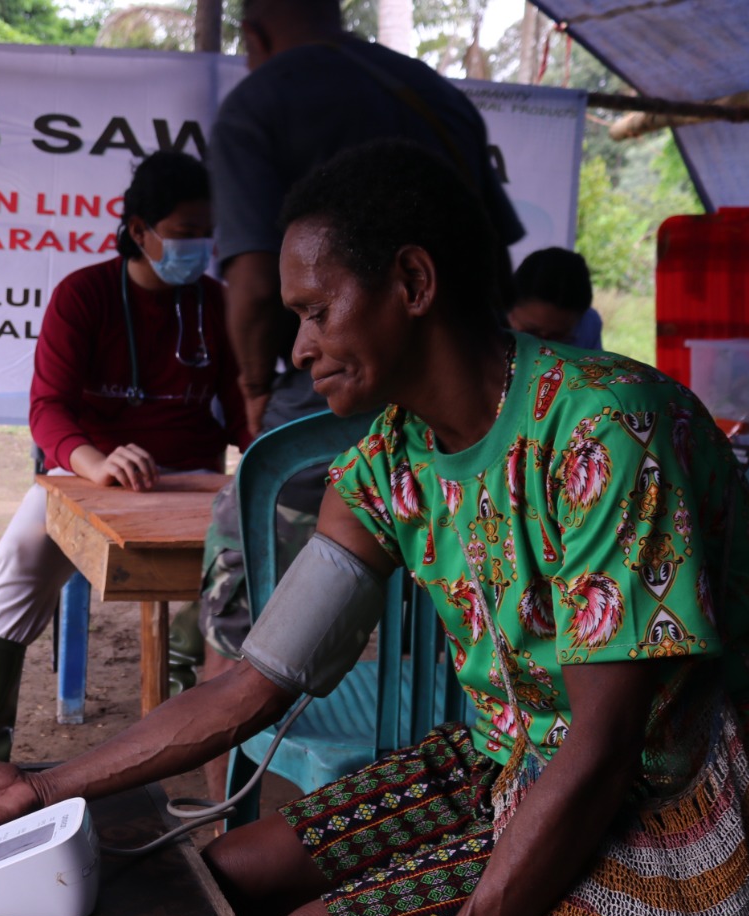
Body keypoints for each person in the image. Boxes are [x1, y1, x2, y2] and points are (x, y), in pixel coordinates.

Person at [0, 141, 749, 916]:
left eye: (319, 310)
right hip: (513, 757)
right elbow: (255, 684)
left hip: (671, 799)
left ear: (412, 281)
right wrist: (40, 787)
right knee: (225, 873)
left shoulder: (602, 431)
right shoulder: (381, 469)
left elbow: (605, 754)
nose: (301, 347)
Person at [193, 0, 527, 738]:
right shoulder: (432, 91)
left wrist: (255, 394)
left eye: (314, 314)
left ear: (255, 35)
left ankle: (221, 802)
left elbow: (250, 287)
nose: (305, 341)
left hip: (342, 406)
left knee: (240, 593)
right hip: (476, 402)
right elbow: (494, 256)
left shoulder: (260, 102)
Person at [0, 150, 249, 764]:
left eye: (205, 235)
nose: (198, 247)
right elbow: (48, 409)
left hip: (189, 483)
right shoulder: (82, 294)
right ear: (139, 231)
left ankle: (185, 731)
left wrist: (267, 464)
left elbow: (246, 413)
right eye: (183, 234)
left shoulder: (216, 304)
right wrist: (96, 462)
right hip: (87, 475)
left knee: (237, 566)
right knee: (15, 562)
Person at [509, 245, 604, 349]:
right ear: (508, 307)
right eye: (531, 332)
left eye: (557, 337)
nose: (543, 349)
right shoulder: (491, 328)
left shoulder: (589, 324)